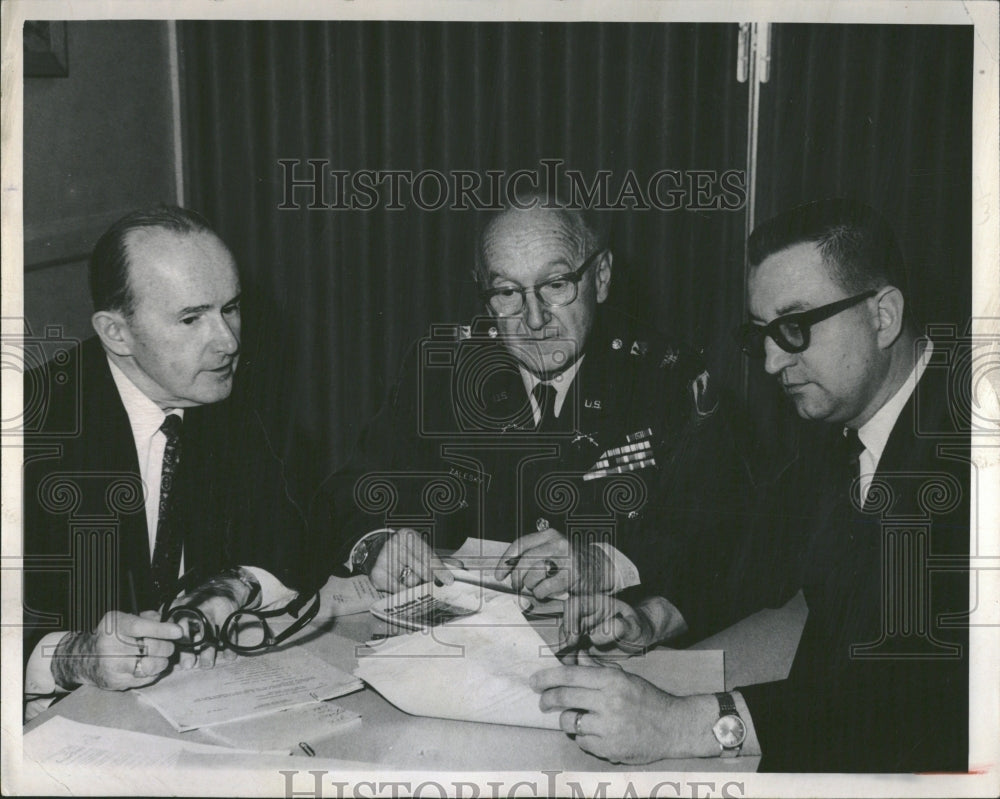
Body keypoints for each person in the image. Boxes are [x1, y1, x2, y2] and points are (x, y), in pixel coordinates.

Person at [531, 198, 970, 772]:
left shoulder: (965, 463)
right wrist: (651, 619)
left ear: (883, 316)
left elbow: (909, 706)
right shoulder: (838, 429)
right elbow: (757, 560)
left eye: (794, 328)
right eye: (760, 334)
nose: (768, 363)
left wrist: (681, 722)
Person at [312, 194, 748, 621]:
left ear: (601, 276)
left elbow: (725, 535)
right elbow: (351, 491)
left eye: (556, 285)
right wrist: (374, 543)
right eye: (507, 292)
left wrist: (604, 565)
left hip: (620, 647)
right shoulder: (442, 373)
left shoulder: (667, 378)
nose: (535, 319)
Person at [22, 206, 312, 719]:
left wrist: (229, 587)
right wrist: (72, 656)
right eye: (191, 318)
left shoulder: (218, 395)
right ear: (116, 333)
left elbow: (291, 535)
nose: (228, 341)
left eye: (232, 308)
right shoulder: (29, 429)